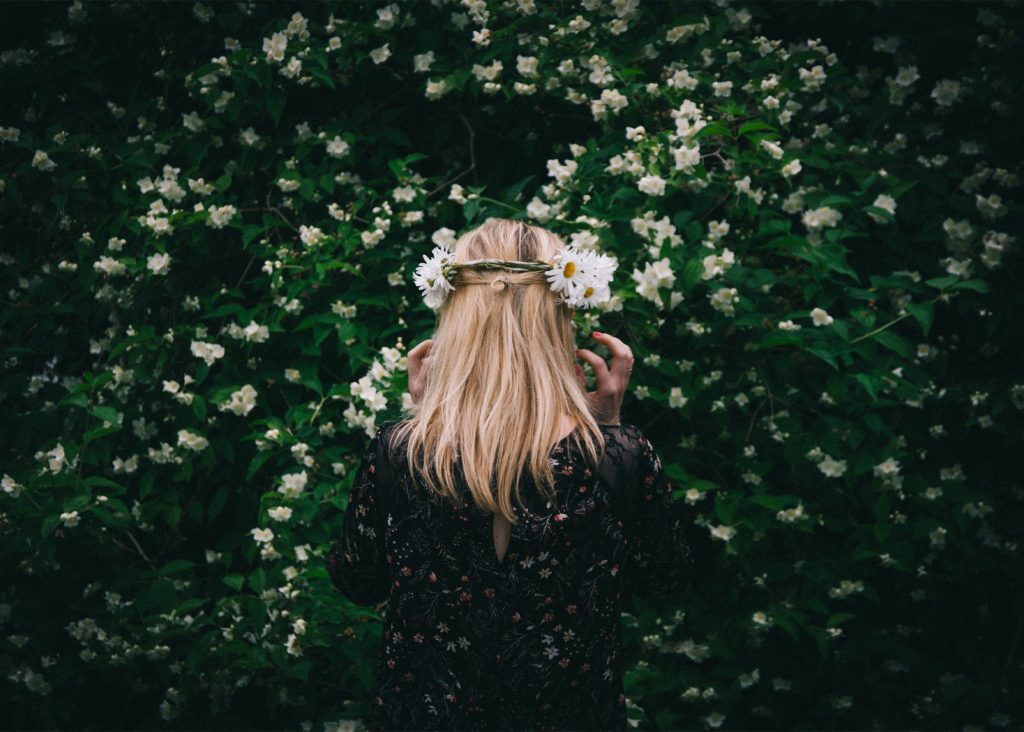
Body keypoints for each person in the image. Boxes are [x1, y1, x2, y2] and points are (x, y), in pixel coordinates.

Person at [327, 218, 710, 731]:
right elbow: (665, 578)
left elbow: (356, 578)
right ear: (560, 316)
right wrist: (609, 431)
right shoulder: (617, 456)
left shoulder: (400, 453)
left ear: (456, 317)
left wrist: (423, 425)